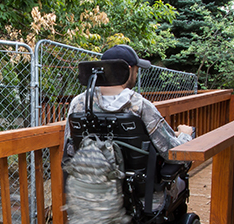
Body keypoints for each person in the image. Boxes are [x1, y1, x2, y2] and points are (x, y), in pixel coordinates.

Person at [62, 44, 195, 164]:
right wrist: (185, 134)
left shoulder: (79, 103)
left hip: (92, 186)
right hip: (136, 188)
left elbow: (69, 149)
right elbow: (174, 154)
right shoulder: (140, 105)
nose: (136, 75)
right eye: (136, 70)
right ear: (129, 69)